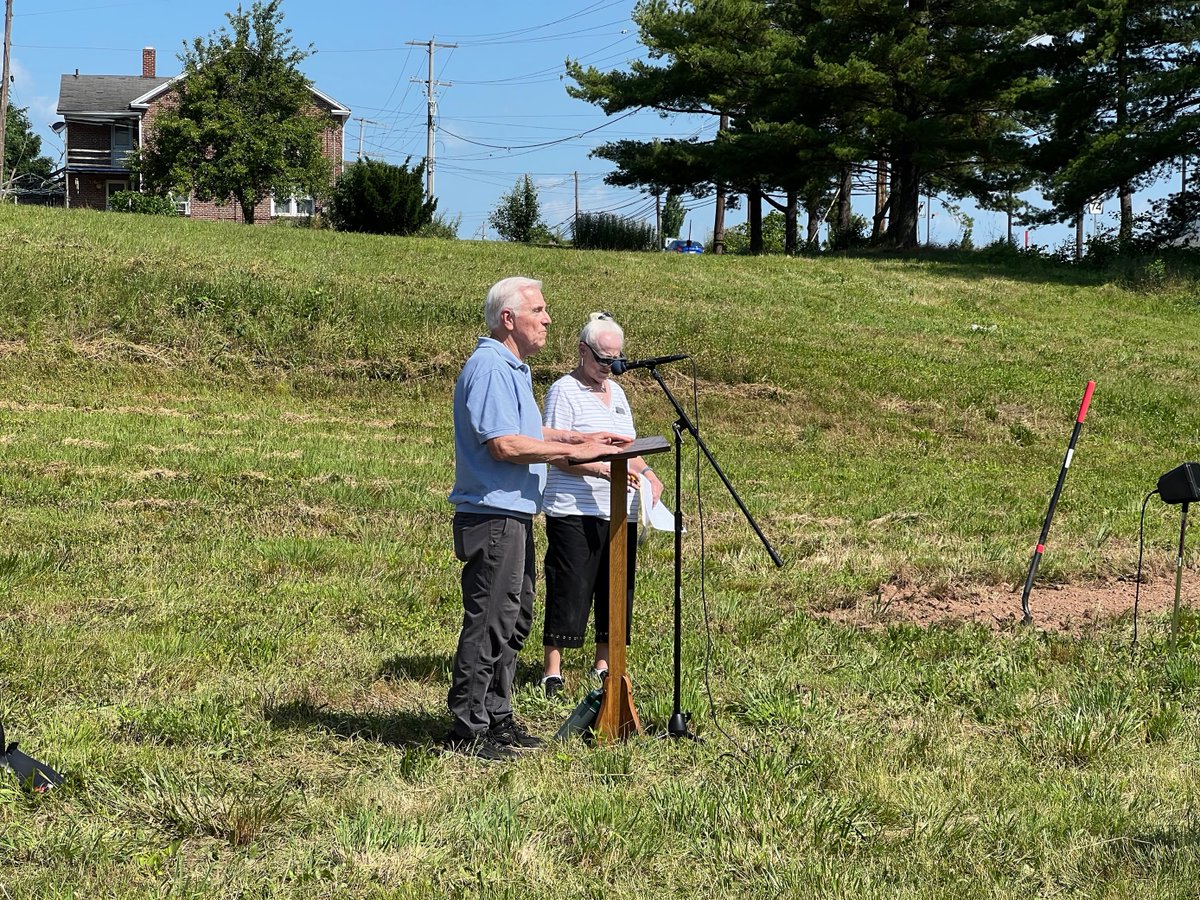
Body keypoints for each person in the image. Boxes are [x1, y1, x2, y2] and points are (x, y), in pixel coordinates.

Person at [446, 278, 630, 761]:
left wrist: (575, 437)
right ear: (509, 319)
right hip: (492, 515)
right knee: (490, 621)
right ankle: (470, 729)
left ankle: (498, 717)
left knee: (513, 618)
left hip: (514, 514)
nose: (548, 319)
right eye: (540, 310)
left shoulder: (514, 368)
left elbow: (526, 430)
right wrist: (578, 449)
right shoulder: (489, 367)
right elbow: (504, 445)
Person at [539, 313, 664, 699]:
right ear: (582, 351)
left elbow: (626, 446)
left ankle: (604, 665)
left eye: (614, 360)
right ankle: (552, 670)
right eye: (601, 360)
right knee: (571, 586)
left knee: (616, 588)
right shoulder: (564, 390)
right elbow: (556, 454)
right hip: (574, 509)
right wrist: (600, 472)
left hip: (619, 511)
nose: (608, 368)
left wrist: (649, 473)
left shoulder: (619, 395)